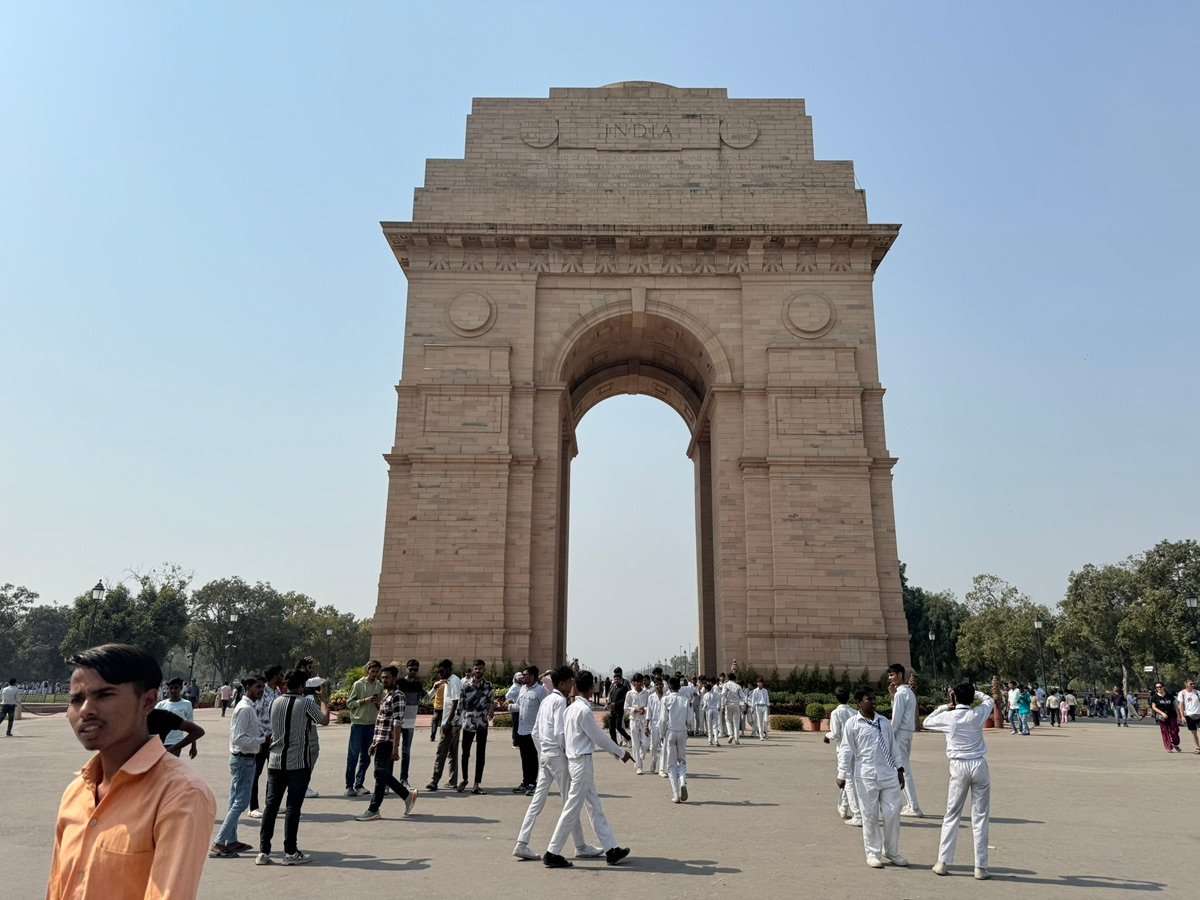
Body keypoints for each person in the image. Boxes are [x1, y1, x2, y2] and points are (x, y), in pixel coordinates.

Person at [47, 644, 216, 898]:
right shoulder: (77, 791)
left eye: (104, 695)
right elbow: (58, 887)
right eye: (76, 699)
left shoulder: (179, 794)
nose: (85, 710)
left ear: (147, 701)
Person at [513, 666, 605, 862]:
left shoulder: (546, 699)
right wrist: (567, 753)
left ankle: (522, 842)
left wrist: (543, 752)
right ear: (562, 683)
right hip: (557, 755)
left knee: (538, 802)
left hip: (545, 754)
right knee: (570, 802)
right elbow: (559, 733)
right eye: (570, 682)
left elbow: (536, 732)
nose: (573, 685)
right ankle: (579, 846)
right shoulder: (560, 701)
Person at [543, 671, 632, 868]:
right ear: (591, 689)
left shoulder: (570, 709)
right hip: (582, 762)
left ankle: (611, 848)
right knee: (572, 809)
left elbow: (563, 737)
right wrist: (620, 753)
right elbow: (598, 738)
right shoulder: (583, 711)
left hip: (575, 760)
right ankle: (552, 852)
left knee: (594, 806)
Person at [923, 681, 996, 880]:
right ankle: (980, 867)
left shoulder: (949, 717)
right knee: (980, 816)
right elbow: (989, 700)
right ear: (972, 698)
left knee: (952, 814)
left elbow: (926, 722)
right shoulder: (977, 714)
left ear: (954, 696)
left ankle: (943, 861)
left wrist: (947, 705)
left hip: (958, 765)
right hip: (978, 764)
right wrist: (975, 693)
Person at [258, 667, 330, 865]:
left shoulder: (275, 702)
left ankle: (264, 851)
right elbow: (323, 721)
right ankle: (290, 851)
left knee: (270, 807)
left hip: (275, 760)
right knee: (292, 807)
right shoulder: (305, 703)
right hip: (298, 762)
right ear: (301, 685)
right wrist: (324, 700)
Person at [836, 688, 908, 869]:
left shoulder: (884, 722)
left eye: (875, 698)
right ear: (859, 702)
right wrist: (841, 774)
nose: (874, 702)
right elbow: (846, 750)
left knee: (892, 814)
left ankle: (891, 851)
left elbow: (894, 747)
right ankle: (873, 853)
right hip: (866, 775)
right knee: (870, 816)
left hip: (889, 775)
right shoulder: (852, 724)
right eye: (870, 699)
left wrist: (900, 770)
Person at [210, 676, 265, 858]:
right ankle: (219, 842)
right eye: (258, 687)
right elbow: (239, 739)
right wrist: (262, 740)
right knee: (241, 802)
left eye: (262, 687)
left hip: (245, 758)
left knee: (235, 801)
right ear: (248, 687)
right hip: (243, 759)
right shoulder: (244, 709)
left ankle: (231, 840)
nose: (261, 690)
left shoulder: (249, 707)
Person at [354, 665, 419, 821]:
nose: (384, 680)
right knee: (382, 774)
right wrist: (374, 743)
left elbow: (397, 723)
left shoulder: (398, 695)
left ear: (394, 678)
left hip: (388, 741)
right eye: (382, 677)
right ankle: (406, 795)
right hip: (380, 740)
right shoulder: (387, 695)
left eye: (387, 677)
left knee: (380, 774)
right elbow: (382, 721)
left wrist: (395, 748)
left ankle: (374, 809)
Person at [343, 660, 384, 797]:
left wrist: (378, 703)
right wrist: (364, 701)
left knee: (366, 756)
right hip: (358, 723)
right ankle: (349, 786)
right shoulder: (358, 684)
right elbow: (349, 703)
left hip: (371, 724)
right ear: (367, 671)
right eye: (372, 671)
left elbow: (382, 705)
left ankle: (359, 784)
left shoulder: (379, 686)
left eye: (377, 672)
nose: (375, 674)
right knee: (353, 756)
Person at [248, 665, 284, 818]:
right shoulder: (262, 693)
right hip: (262, 738)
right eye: (280, 674)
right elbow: (255, 715)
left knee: (275, 773)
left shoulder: (277, 691)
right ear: (275, 676)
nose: (283, 677)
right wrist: (261, 737)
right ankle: (253, 807)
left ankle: (271, 803)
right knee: (256, 773)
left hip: (275, 737)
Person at [887, 663, 923, 816]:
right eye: (889, 675)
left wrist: (889, 737)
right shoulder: (908, 692)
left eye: (892, 675)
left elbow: (896, 719)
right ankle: (911, 804)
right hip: (907, 733)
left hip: (901, 733)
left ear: (900, 675)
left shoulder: (901, 694)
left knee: (903, 770)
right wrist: (891, 696)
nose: (890, 678)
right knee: (903, 768)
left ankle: (914, 806)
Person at [824, 685, 861, 826]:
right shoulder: (854, 712)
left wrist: (826, 736)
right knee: (850, 779)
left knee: (848, 781)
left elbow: (835, 733)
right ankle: (844, 807)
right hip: (855, 749)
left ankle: (857, 813)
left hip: (843, 749)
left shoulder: (835, 713)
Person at [457, 659, 495, 793]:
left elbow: (491, 701)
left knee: (481, 754)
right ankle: (464, 779)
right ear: (473, 669)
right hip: (468, 723)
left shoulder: (488, 686)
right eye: (476, 668)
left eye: (480, 668)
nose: (478, 671)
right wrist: (456, 722)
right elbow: (460, 705)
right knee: (465, 753)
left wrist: (491, 710)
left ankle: (476, 784)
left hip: (482, 723)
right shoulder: (465, 685)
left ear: (484, 670)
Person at [511, 666, 548, 793]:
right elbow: (519, 706)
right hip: (521, 730)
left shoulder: (540, 691)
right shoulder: (522, 689)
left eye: (525, 674)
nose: (522, 676)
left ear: (532, 676)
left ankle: (532, 782)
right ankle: (525, 781)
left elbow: (545, 710)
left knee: (532, 757)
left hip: (533, 731)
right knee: (524, 757)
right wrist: (509, 706)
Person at [427, 659, 462, 791]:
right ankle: (452, 781)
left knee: (441, 752)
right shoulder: (448, 681)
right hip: (452, 723)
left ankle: (434, 780)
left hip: (450, 724)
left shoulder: (454, 681)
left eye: (442, 671)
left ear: (448, 670)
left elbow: (456, 702)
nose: (440, 674)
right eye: (438, 671)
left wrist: (449, 722)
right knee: (452, 753)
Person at [394, 659, 424, 786]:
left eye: (415, 670)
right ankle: (387, 781)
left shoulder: (418, 685)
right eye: (410, 669)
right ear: (406, 669)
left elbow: (426, 698)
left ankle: (404, 779)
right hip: (397, 722)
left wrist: (435, 688)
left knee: (406, 752)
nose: (413, 672)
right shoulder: (399, 683)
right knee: (392, 750)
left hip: (410, 723)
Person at [660, 675, 690, 803]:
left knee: (671, 765)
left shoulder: (666, 699)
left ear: (669, 687)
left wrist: (662, 734)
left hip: (671, 731)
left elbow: (663, 719)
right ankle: (682, 780)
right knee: (682, 760)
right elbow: (689, 719)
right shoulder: (685, 699)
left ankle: (676, 794)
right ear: (679, 686)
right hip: (682, 730)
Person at [154, 677, 198, 758]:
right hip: (160, 742)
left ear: (181, 688)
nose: (173, 690)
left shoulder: (186, 704)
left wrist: (193, 746)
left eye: (176, 688)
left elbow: (191, 725)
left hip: (176, 743)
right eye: (171, 688)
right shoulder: (161, 705)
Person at [623, 673, 651, 774]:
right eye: (637, 682)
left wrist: (645, 710)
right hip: (634, 720)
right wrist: (634, 709)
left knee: (646, 742)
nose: (639, 684)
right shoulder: (630, 694)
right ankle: (639, 766)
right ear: (633, 683)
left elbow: (649, 706)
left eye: (640, 681)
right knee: (635, 744)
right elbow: (626, 707)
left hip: (644, 721)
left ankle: (640, 754)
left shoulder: (646, 693)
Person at [1150, 681, 1181, 753]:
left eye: (1160, 687)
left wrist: (1179, 716)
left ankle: (1175, 743)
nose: (1159, 688)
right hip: (1162, 717)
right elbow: (1154, 707)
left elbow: (1176, 706)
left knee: (1174, 731)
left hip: (1172, 716)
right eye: (1157, 687)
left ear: (1163, 687)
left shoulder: (1170, 696)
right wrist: (1162, 713)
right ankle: (1168, 747)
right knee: (1165, 732)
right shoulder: (1155, 697)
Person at [606, 668, 631, 747]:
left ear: (621, 679)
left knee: (619, 727)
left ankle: (628, 738)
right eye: (615, 679)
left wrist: (615, 704)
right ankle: (614, 744)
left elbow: (625, 700)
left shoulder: (623, 688)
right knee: (611, 728)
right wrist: (609, 703)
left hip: (619, 710)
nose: (616, 680)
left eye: (617, 679)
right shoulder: (613, 687)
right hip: (612, 711)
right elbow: (610, 697)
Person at [1177, 679, 1200, 751]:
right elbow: (1181, 705)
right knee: (1194, 732)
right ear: (1186, 685)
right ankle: (1198, 747)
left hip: (1199, 714)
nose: (1192, 685)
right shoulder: (1182, 693)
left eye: (1193, 684)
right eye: (1191, 684)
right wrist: (1182, 716)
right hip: (1189, 715)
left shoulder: (1197, 692)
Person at [721, 672, 743, 744]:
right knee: (736, 722)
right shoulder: (738, 686)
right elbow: (742, 697)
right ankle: (737, 739)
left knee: (728, 720)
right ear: (734, 678)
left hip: (728, 705)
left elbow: (723, 695)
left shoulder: (726, 685)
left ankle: (730, 734)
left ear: (728, 678)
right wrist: (742, 706)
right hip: (736, 705)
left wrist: (722, 705)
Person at [701, 678, 721, 746]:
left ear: (706, 689)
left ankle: (710, 740)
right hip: (715, 710)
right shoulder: (715, 694)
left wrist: (702, 709)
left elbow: (705, 705)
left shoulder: (705, 695)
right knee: (715, 725)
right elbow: (720, 696)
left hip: (709, 710)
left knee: (709, 725)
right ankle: (716, 740)